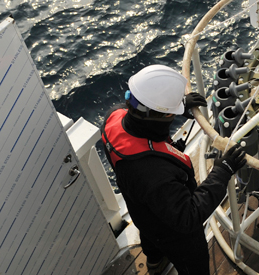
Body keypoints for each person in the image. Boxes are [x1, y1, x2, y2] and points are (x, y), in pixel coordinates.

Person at [100, 64, 247, 274]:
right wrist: (223, 170)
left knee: (150, 239)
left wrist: (181, 106)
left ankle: (155, 264)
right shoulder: (155, 174)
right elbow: (188, 216)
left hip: (141, 211)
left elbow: (148, 123)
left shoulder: (112, 118)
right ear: (161, 116)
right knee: (193, 264)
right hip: (174, 233)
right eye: (171, 113)